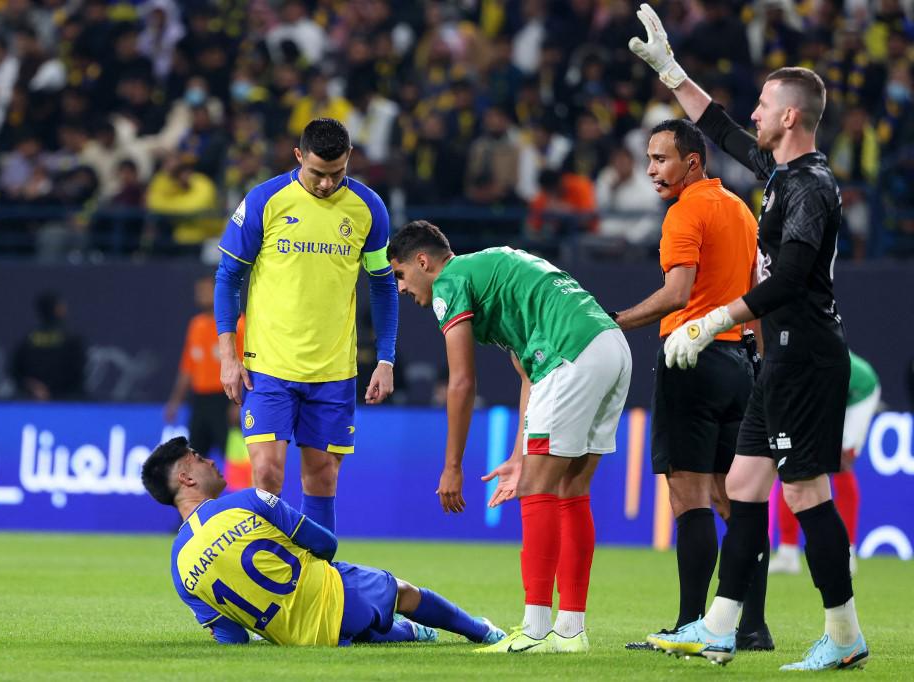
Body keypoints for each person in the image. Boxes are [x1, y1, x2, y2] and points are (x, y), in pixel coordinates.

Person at [630, 3, 868, 670]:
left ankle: (844, 635)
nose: (755, 114)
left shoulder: (812, 185)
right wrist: (673, 74)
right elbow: (723, 131)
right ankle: (720, 626)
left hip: (807, 357)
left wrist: (712, 320)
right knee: (741, 483)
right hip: (778, 360)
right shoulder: (784, 176)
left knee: (804, 494)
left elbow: (791, 276)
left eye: (765, 104)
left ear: (791, 117)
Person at [387, 221, 631, 654]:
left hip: (569, 351)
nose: (402, 289)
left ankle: (535, 629)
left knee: (538, 491)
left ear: (423, 262)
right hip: (610, 346)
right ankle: (571, 629)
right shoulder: (491, 271)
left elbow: (461, 382)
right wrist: (520, 454)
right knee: (573, 489)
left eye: (401, 275)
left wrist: (452, 466)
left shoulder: (451, 282)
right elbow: (527, 375)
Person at [612, 118, 772, 650]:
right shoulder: (741, 211)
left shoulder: (685, 212)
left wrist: (618, 319)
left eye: (660, 159)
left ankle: (689, 625)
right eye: (650, 159)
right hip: (742, 364)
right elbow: (757, 298)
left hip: (692, 362)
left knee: (690, 499)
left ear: (692, 162)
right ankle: (752, 627)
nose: (652, 170)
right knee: (738, 503)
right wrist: (762, 368)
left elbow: (677, 294)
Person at [141, 436, 505, 647]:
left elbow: (231, 636)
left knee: (350, 628)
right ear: (186, 478)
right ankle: (483, 630)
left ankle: (406, 632)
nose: (211, 462)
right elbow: (327, 545)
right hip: (342, 597)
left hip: (302, 640)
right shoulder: (246, 501)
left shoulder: (178, 566)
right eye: (200, 459)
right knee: (402, 592)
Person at [214, 118, 398, 536]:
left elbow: (383, 286)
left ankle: (316, 582)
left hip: (333, 371)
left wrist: (385, 358)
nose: (326, 185)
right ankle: (266, 576)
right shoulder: (266, 201)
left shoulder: (370, 209)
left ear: (349, 158)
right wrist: (228, 353)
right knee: (266, 473)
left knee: (322, 478)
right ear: (299, 157)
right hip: (269, 366)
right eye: (317, 173)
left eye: (337, 174)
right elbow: (228, 277)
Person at [770, 351, 881, 576]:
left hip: (859, 392)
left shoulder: (809, 358)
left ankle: (847, 553)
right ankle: (787, 553)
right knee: (792, 465)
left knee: (841, 463)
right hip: (827, 393)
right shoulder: (782, 357)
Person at [164, 277, 239, 472]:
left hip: (225, 398)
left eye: (206, 291)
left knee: (235, 459)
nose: (201, 296)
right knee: (195, 457)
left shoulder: (237, 323)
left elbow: (245, 365)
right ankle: (201, 501)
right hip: (200, 401)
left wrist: (238, 403)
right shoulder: (196, 325)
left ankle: (244, 499)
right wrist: (175, 402)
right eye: (199, 292)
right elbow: (187, 368)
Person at [11, 291, 87, 401]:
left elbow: (16, 372)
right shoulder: (72, 340)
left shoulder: (27, 340)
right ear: (58, 309)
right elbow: (78, 374)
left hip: (37, 402)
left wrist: (33, 387)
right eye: (61, 306)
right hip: (66, 404)